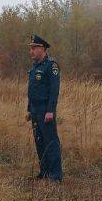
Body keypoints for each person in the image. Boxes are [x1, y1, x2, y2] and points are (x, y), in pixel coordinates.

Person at [27, 34, 63, 182]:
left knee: (51, 142)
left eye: (34, 48)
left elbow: (54, 90)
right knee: (39, 142)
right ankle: (45, 172)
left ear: (42, 48)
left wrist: (50, 111)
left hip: (45, 110)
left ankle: (55, 175)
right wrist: (29, 109)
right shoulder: (36, 67)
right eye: (31, 48)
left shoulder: (51, 66)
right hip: (35, 110)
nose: (31, 51)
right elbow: (33, 90)